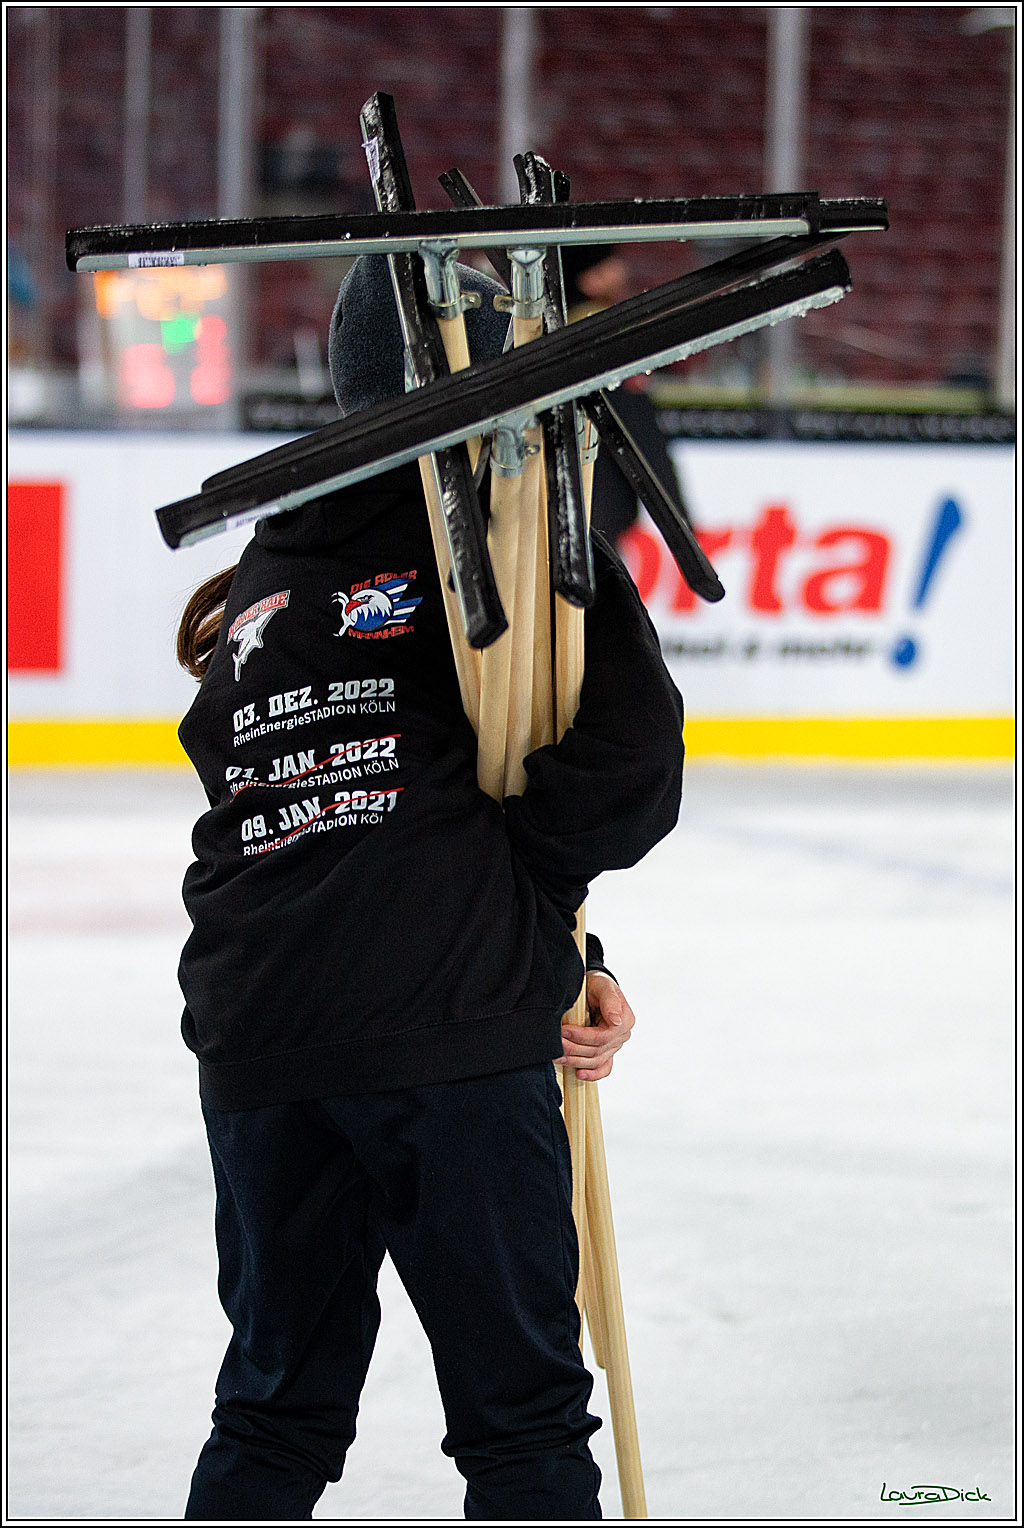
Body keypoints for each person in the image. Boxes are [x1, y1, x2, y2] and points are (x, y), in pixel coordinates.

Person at [174, 254, 685, 1521]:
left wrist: (564, 944)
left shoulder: (269, 561)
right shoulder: (514, 546)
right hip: (445, 1018)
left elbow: (302, 801)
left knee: (273, 1413)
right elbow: (627, 771)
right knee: (523, 1426)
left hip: (258, 1024)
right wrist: (534, 922)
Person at [561, 244, 695, 547]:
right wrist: (677, 515)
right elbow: (636, 428)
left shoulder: (556, 332)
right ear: (590, 279)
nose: (621, 272)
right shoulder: (607, 335)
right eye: (610, 264)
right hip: (598, 504)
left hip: (565, 504)